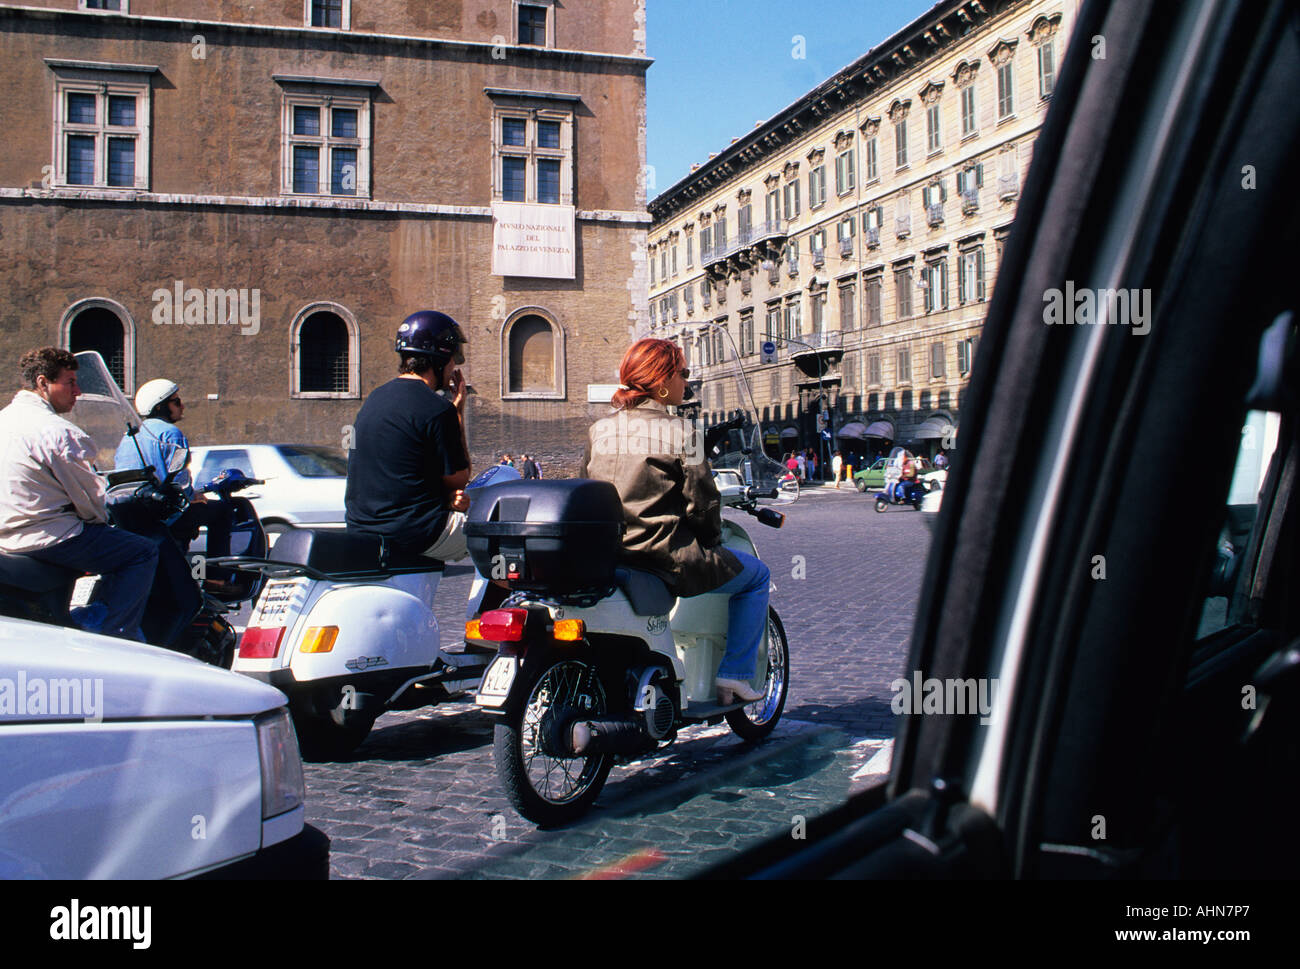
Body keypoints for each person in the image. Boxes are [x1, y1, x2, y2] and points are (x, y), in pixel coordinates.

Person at [582, 337, 769, 705]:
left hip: (610, 555)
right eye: (683, 374)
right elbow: (702, 505)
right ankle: (735, 676)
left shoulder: (598, 430)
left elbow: (588, 491)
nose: (688, 382)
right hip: (663, 557)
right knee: (757, 578)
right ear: (662, 380)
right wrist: (711, 540)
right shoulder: (685, 433)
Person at [0, 347, 158, 641]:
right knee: (141, 552)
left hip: (7, 537)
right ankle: (113, 634)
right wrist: (103, 516)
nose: (78, 390)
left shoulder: (5, 420)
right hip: (48, 535)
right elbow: (90, 500)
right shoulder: (56, 431)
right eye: (70, 382)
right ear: (43, 383)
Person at [345, 310, 471, 561]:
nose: (454, 367)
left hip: (362, 528)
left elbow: (397, 471)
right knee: (502, 534)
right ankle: (516, 600)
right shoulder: (437, 409)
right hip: (414, 533)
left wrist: (444, 498)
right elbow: (459, 478)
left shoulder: (375, 398)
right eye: (454, 359)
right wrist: (457, 413)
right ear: (440, 359)